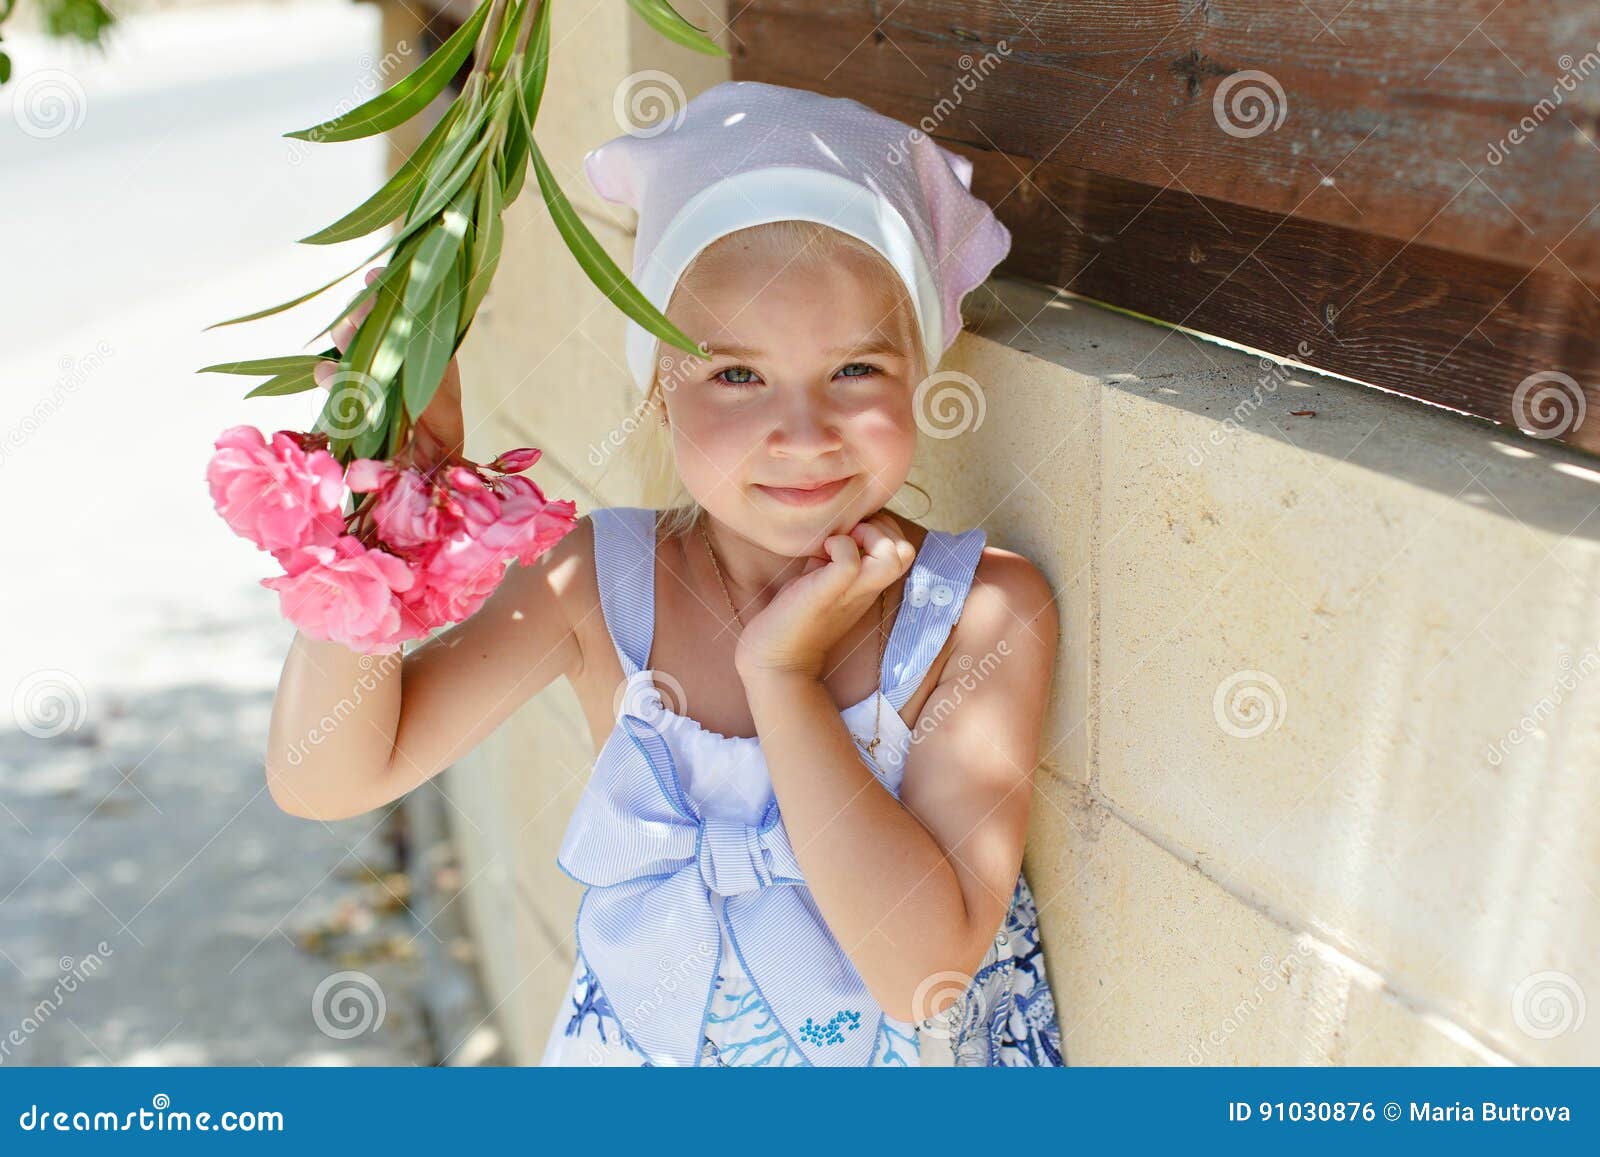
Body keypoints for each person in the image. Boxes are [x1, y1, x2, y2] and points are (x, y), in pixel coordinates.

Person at [267, 80, 1062, 1067]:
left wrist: (783, 679)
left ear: (920, 372)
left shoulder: (978, 613)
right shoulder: (599, 585)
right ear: (658, 387)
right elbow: (326, 777)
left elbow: (918, 974)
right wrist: (377, 522)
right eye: (736, 373)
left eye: (856, 370)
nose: (802, 431)